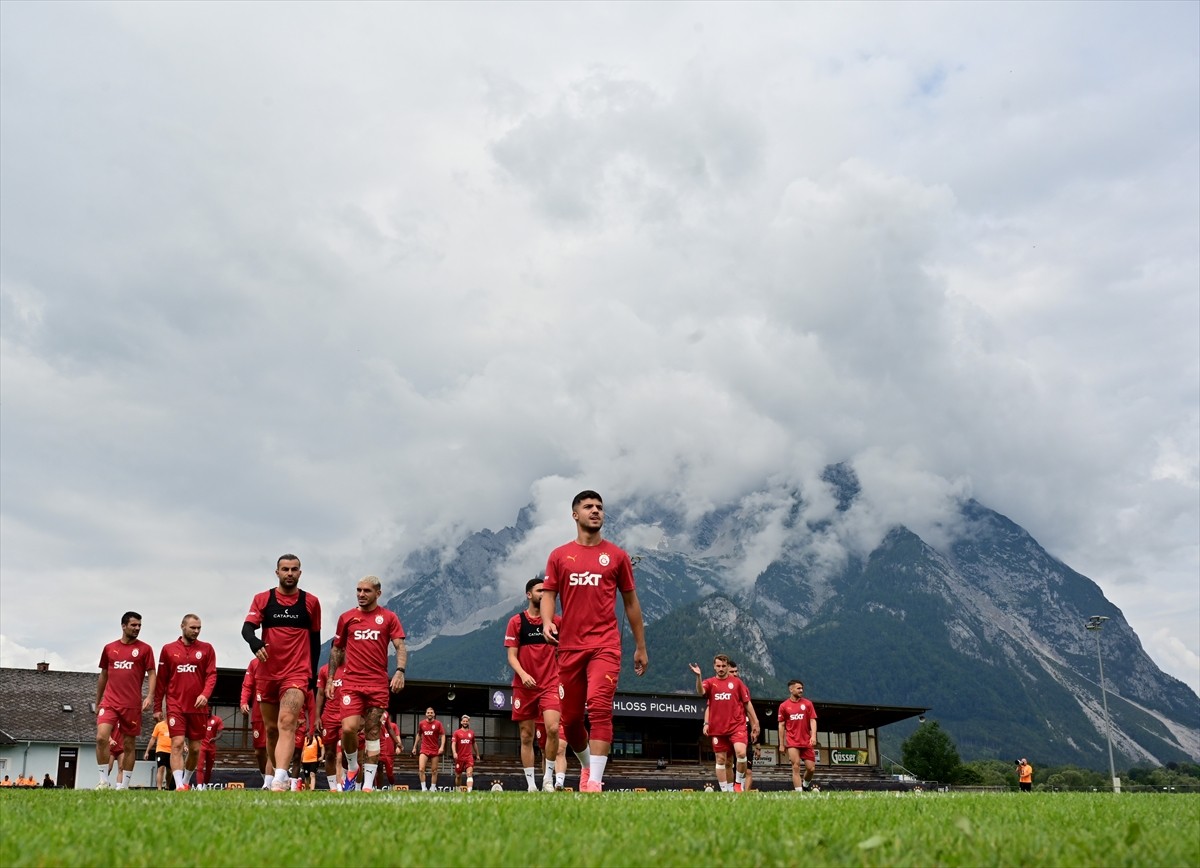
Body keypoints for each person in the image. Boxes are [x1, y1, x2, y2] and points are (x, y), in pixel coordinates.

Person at [541, 490, 648, 792]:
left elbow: (631, 603)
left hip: (605, 645)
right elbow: (549, 594)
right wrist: (548, 621)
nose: (595, 510)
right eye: (588, 506)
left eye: (599, 507)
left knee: (600, 706)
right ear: (575, 514)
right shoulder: (559, 556)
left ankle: (596, 783)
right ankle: (588, 766)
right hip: (570, 647)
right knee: (572, 721)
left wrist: (640, 646)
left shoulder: (617, 556)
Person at [242, 553, 322, 792]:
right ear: (277, 573)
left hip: (296, 673)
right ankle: (275, 775)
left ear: (300, 572)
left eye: (294, 569)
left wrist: (312, 677)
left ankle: (279, 778)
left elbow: (315, 642)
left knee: (287, 722)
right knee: (272, 730)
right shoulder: (263, 599)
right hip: (268, 674)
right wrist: (255, 643)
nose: (289, 573)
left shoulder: (311, 602)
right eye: (285, 569)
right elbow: (247, 629)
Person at [330, 575, 407, 793]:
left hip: (377, 684)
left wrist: (400, 671)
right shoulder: (346, 618)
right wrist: (330, 678)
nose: (361, 594)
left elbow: (400, 646)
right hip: (352, 683)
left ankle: (367, 786)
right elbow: (337, 649)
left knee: (373, 732)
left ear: (378, 593)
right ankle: (353, 766)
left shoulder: (389, 618)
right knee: (348, 728)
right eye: (358, 590)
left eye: (366, 591)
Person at [505, 576, 563, 792]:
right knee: (526, 735)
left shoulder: (556, 622)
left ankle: (548, 778)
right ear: (529, 595)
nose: (543, 594)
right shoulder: (516, 622)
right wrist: (523, 674)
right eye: (540, 591)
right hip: (524, 686)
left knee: (553, 728)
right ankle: (531, 785)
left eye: (546, 591)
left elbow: (567, 649)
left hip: (550, 683)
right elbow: (512, 656)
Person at [154, 613, 218, 791]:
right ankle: (179, 785)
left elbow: (211, 675)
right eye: (193, 628)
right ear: (182, 626)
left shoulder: (207, 649)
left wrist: (205, 694)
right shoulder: (168, 649)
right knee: (177, 743)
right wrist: (158, 707)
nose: (196, 631)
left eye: (199, 628)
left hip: (198, 708)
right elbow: (162, 681)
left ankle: (186, 780)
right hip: (176, 705)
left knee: (196, 749)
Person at [95, 611, 156, 790]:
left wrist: (150, 695)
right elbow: (103, 675)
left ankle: (124, 786)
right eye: (133, 625)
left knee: (129, 745)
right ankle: (103, 781)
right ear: (123, 626)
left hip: (131, 705)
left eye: (139, 626)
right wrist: (98, 701)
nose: (137, 628)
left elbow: (152, 673)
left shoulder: (145, 649)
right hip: (110, 702)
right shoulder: (109, 648)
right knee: (101, 738)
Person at [690, 654, 759, 792]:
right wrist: (698, 676)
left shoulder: (737, 683)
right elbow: (701, 692)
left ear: (728, 666)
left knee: (741, 753)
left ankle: (738, 784)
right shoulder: (710, 683)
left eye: (723, 666)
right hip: (718, 728)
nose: (721, 668)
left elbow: (747, 704)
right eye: (718, 666)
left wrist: (756, 722)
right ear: (714, 667)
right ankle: (725, 791)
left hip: (737, 726)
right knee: (722, 760)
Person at [777, 679, 819, 792]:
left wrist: (813, 736)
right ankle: (799, 792)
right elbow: (781, 725)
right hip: (792, 741)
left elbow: (813, 721)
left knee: (811, 768)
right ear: (791, 689)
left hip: (806, 741)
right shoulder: (784, 706)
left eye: (802, 688)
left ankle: (805, 786)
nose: (801, 690)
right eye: (798, 688)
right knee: (795, 766)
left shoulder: (808, 704)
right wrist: (781, 744)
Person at [240, 657, 273, 789]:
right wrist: (243, 702)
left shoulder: (279, 660)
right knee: (259, 752)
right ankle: (267, 779)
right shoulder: (254, 663)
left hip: (274, 710)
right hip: (258, 713)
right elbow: (247, 685)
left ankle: (269, 783)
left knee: (272, 747)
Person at [315, 660, 345, 791]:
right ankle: (333, 788)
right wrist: (317, 717)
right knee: (329, 753)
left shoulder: (351, 668)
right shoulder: (324, 670)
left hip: (346, 715)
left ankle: (346, 783)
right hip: (329, 718)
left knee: (346, 751)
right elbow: (320, 694)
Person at [728, 661, 758, 791]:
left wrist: (756, 733)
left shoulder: (743, 687)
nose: (735, 674)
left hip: (742, 732)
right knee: (728, 764)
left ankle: (743, 794)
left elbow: (749, 710)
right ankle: (729, 791)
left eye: (736, 671)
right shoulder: (719, 687)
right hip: (727, 731)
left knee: (748, 770)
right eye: (732, 672)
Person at [412, 707, 445, 791]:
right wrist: (415, 746)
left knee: (434, 771)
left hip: (435, 750)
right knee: (421, 769)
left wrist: (441, 747)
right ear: (426, 714)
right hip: (424, 749)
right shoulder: (421, 723)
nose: (430, 714)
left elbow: (443, 735)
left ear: (434, 714)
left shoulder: (438, 724)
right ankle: (424, 788)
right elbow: (419, 734)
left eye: (431, 713)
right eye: (428, 712)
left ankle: (433, 788)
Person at [451, 715, 481, 792]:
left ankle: (469, 792)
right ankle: (458, 790)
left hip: (469, 757)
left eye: (466, 721)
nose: (465, 722)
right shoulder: (456, 733)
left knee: (469, 773)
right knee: (458, 776)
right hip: (459, 758)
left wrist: (477, 754)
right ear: (461, 722)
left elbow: (474, 743)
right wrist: (454, 752)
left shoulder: (471, 733)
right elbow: (453, 743)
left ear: (468, 722)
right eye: (464, 721)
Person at [195, 711, 224, 790]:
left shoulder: (217, 720)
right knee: (200, 767)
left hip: (211, 747)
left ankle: (205, 785)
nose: (207, 711)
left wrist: (215, 738)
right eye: (206, 710)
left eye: (209, 710)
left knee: (209, 769)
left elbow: (220, 733)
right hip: (202, 746)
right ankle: (199, 786)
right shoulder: (200, 719)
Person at [145, 718, 173, 790]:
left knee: (170, 771)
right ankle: (159, 788)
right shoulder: (159, 725)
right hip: (161, 750)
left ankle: (167, 786)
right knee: (161, 768)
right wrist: (147, 751)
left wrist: (184, 746)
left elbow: (179, 737)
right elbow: (153, 739)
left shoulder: (174, 725)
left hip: (171, 751)